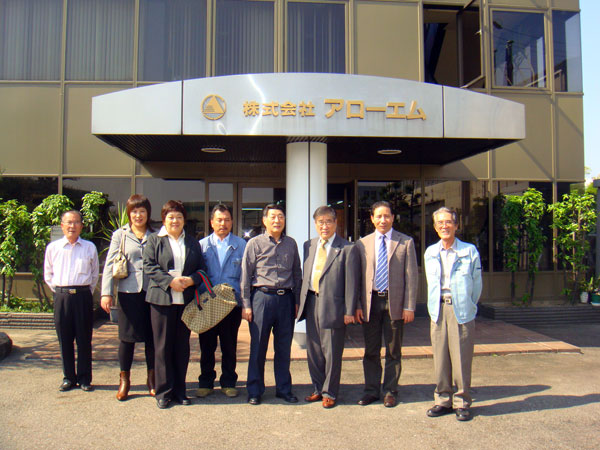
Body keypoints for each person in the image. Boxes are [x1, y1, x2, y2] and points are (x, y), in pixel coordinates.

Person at [143, 200, 207, 409]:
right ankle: (163, 392)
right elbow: (149, 266)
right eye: (171, 217)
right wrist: (170, 281)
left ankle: (180, 391)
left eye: (179, 217)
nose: (175, 221)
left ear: (184, 220)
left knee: (181, 347)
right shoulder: (154, 240)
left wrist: (191, 280)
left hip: (185, 302)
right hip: (162, 301)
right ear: (164, 219)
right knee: (162, 347)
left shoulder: (192, 242)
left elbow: (202, 269)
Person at [355, 200, 418, 408]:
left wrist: (409, 306)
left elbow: (411, 277)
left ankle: (390, 391)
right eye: (379, 216)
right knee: (371, 350)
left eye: (387, 216)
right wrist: (357, 305)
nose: (383, 220)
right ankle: (371, 390)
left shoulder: (405, 242)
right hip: (371, 302)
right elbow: (358, 277)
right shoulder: (362, 243)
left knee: (393, 350)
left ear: (393, 218)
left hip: (395, 302)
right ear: (372, 219)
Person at [297, 206, 359, 408]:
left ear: (335, 223)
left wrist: (349, 310)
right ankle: (317, 388)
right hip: (311, 302)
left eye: (328, 221)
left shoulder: (347, 248)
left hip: (334, 306)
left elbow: (352, 282)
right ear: (315, 224)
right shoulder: (309, 245)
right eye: (320, 222)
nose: (324, 226)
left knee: (331, 351)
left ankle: (330, 392)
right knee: (314, 350)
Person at [424, 207, 482, 422]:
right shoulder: (430, 252)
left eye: (448, 222)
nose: (444, 226)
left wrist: (469, 305)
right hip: (438, 309)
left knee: (461, 358)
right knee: (440, 359)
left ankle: (462, 401)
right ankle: (442, 400)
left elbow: (477, 284)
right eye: (440, 223)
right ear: (435, 227)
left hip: (461, 309)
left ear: (456, 225)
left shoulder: (469, 251)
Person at [240, 204, 302, 405]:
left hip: (286, 299)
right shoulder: (254, 243)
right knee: (258, 347)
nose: (277, 220)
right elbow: (245, 276)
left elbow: (297, 273)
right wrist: (246, 304)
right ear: (264, 220)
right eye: (273, 217)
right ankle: (255, 390)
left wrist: (297, 301)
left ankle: (284, 389)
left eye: (281, 216)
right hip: (262, 299)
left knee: (283, 348)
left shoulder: (291, 243)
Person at [100, 194, 155, 401]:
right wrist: (106, 293)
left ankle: (152, 379)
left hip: (152, 293)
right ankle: (125, 380)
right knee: (126, 339)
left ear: (148, 213)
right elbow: (109, 265)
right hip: (127, 293)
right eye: (134, 211)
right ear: (129, 213)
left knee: (152, 338)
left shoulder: (156, 235)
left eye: (142, 211)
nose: (138, 215)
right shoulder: (120, 235)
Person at [44, 210, 99, 392]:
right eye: (68, 222)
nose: (72, 226)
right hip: (62, 296)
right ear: (62, 226)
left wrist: (85, 292)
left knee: (84, 339)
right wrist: (61, 292)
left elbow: (94, 274)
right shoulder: (53, 248)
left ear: (81, 226)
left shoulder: (89, 247)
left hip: (83, 296)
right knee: (64, 339)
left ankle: (84, 379)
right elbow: (48, 274)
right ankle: (68, 377)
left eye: (76, 222)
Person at [195, 204, 246, 399]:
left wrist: (244, 302)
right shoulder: (201, 246)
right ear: (211, 222)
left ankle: (229, 382)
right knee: (207, 346)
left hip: (231, 305)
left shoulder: (241, 245)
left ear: (232, 222)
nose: (222, 223)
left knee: (229, 346)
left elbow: (246, 276)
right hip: (208, 304)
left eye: (226, 220)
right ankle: (206, 382)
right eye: (219, 220)